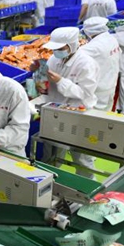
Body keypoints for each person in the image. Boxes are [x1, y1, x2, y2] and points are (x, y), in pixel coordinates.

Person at [40, 27, 99, 178]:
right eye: (55, 49)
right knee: (52, 155)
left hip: (79, 115)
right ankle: (50, 184)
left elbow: (85, 94)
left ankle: (86, 189)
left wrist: (61, 82)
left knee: (81, 158)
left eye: (60, 48)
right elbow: (50, 86)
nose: (56, 52)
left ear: (71, 46)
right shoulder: (54, 59)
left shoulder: (86, 64)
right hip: (57, 113)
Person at [80, 17, 121, 111]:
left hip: (98, 90)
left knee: (95, 118)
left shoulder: (94, 46)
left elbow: (72, 56)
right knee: (106, 115)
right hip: (110, 84)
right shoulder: (111, 38)